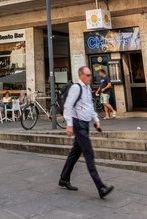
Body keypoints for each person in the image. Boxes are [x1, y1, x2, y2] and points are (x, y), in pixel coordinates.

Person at [59, 66, 113, 199]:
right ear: (81, 75)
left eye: (90, 75)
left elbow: (90, 107)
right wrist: (69, 125)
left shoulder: (88, 89)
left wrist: (96, 120)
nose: (90, 77)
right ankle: (101, 187)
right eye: (88, 75)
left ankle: (64, 179)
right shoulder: (76, 88)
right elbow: (67, 107)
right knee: (89, 153)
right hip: (78, 124)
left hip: (85, 124)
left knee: (75, 153)